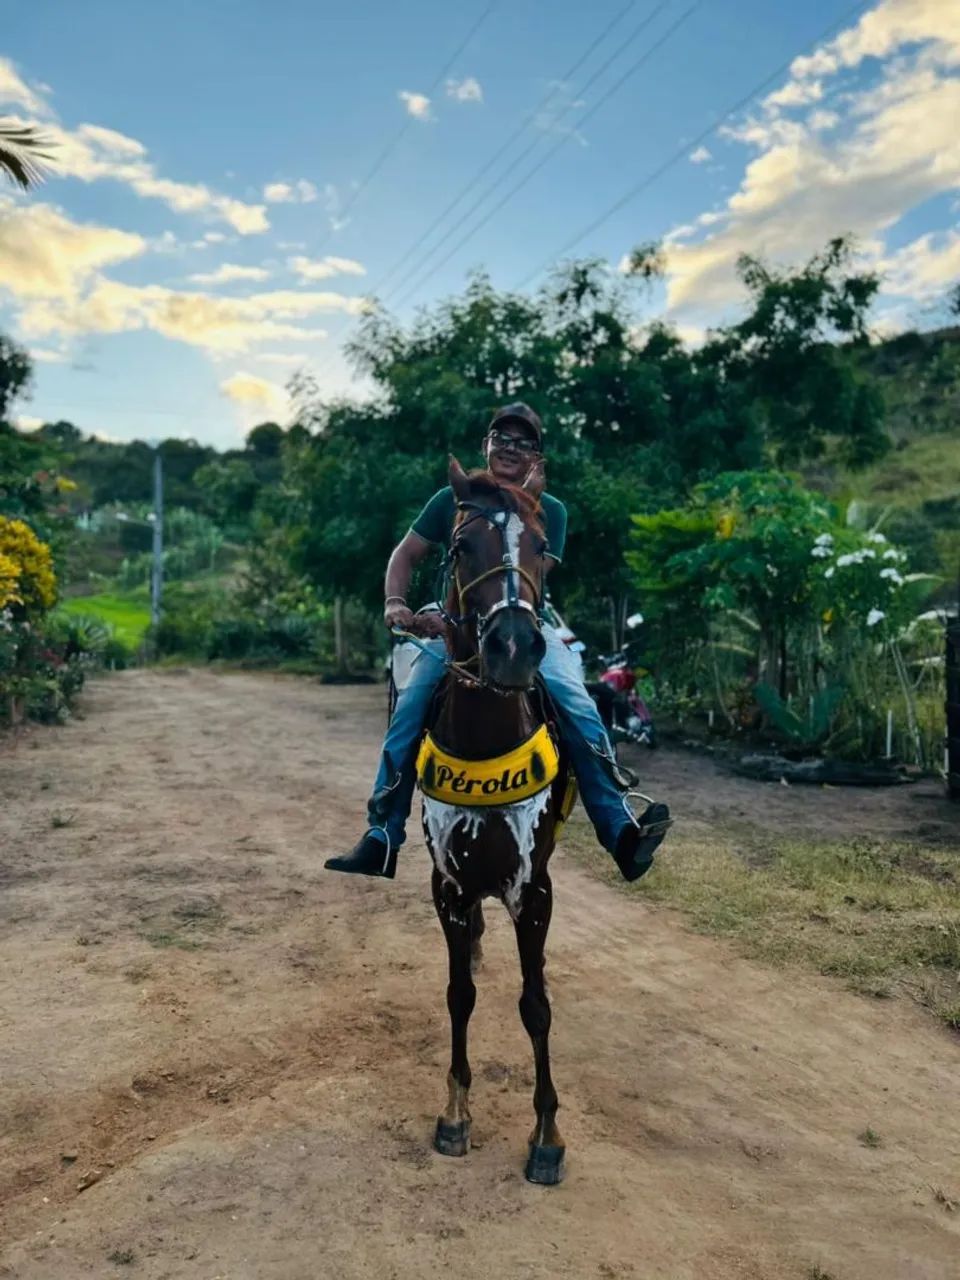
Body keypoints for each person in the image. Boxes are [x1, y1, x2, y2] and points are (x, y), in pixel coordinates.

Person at [324, 402, 670, 882]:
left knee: (577, 702)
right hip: (456, 625)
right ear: (485, 446)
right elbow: (405, 554)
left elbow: (525, 581)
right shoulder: (450, 500)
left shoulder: (551, 511)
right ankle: (382, 834)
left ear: (538, 457)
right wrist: (396, 603)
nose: (511, 448)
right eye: (501, 439)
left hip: (524, 622)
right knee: (411, 704)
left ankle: (618, 828)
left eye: (524, 442)